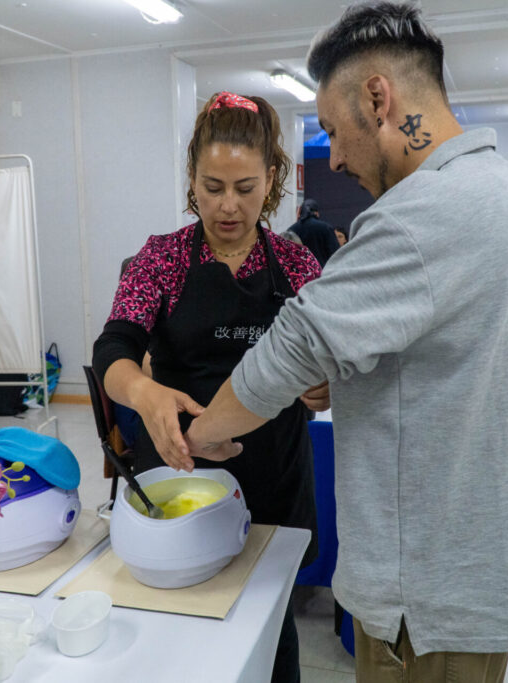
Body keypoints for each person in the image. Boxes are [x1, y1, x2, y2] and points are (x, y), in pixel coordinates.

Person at [165, 4, 508, 682]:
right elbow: (456, 354)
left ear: (379, 98)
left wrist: (197, 436)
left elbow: (289, 350)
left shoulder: (418, 215)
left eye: (332, 130)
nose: (337, 157)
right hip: (485, 563)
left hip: (423, 595)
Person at [91, 91, 327, 683]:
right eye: (211, 186)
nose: (227, 206)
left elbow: (329, 357)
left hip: (273, 472)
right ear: (191, 178)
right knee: (178, 631)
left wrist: (324, 384)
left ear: (271, 180)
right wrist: (143, 393)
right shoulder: (162, 260)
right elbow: (113, 349)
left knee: (269, 626)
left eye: (245, 189)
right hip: (179, 469)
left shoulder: (297, 265)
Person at [284, 198, 340, 266]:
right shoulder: (326, 228)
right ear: (316, 213)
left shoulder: (291, 230)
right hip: (322, 270)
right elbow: (336, 254)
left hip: (298, 270)